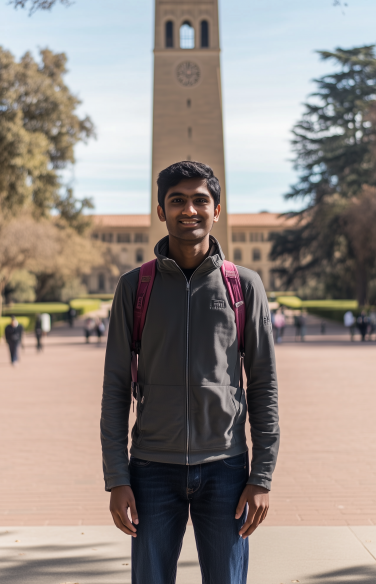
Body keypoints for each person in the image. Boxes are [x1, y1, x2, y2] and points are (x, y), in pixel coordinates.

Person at [101, 161, 280, 584]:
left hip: (226, 469)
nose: (190, 210)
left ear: (217, 210)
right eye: (177, 200)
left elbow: (264, 384)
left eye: (201, 200)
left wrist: (262, 476)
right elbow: (115, 386)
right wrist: (116, 478)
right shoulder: (134, 287)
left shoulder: (244, 286)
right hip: (150, 470)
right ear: (160, 211)